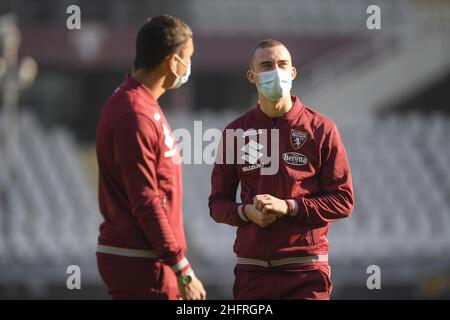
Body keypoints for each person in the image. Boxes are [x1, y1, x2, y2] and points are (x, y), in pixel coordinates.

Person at [209, 39, 354, 300]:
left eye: (282, 64)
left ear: (293, 72)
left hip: (306, 272)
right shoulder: (235, 133)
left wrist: (290, 206)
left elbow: (343, 201)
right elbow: (217, 204)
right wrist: (246, 212)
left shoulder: (322, 129)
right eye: (266, 65)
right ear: (251, 76)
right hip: (251, 272)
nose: (276, 71)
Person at [96, 15, 206, 300]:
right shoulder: (134, 114)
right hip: (141, 261)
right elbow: (146, 199)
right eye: (188, 57)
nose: (189, 66)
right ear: (172, 62)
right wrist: (181, 266)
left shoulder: (143, 104)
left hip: (149, 259)